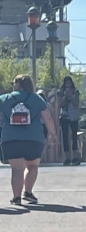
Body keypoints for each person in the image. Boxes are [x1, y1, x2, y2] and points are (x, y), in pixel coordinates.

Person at [0, 74, 57, 205]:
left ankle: (16, 197)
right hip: (34, 138)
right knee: (32, 165)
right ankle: (28, 192)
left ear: (18, 84)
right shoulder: (36, 98)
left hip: (11, 139)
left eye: (13, 83)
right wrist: (52, 134)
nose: (12, 85)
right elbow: (48, 117)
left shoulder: (4, 98)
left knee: (17, 169)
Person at [57, 75, 81, 165]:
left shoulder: (76, 92)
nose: (68, 85)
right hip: (64, 116)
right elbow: (59, 104)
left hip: (73, 116)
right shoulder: (60, 93)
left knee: (74, 136)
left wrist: (71, 96)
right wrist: (65, 97)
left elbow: (76, 104)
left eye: (69, 83)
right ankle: (67, 157)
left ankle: (75, 156)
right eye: (66, 83)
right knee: (65, 136)